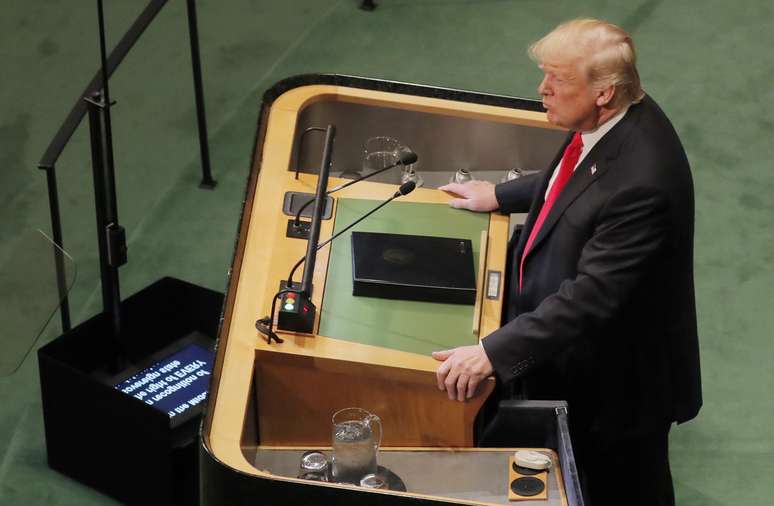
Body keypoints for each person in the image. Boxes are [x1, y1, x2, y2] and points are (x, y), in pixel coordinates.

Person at [431, 18, 702, 506]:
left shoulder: (645, 180)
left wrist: (493, 352)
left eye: (558, 79)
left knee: (617, 487)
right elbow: (573, 180)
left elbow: (589, 299)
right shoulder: (608, 123)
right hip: (579, 361)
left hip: (615, 388)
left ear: (604, 93)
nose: (543, 89)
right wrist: (499, 193)